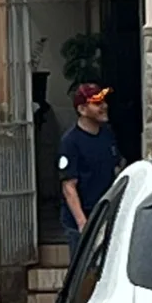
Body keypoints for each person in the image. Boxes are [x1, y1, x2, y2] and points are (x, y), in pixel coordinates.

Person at [58, 84, 125, 262]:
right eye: (97, 103)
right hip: (84, 216)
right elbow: (69, 186)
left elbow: (117, 167)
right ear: (82, 109)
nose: (103, 106)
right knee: (83, 268)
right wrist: (82, 222)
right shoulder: (70, 141)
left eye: (104, 101)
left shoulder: (107, 133)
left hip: (106, 212)